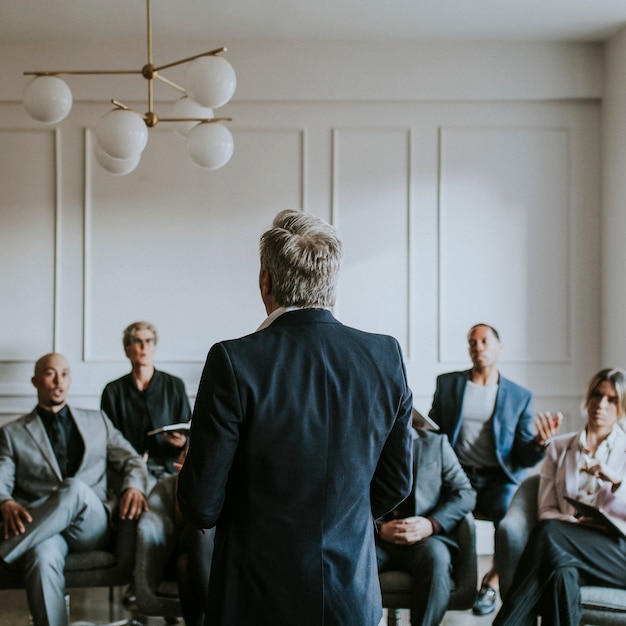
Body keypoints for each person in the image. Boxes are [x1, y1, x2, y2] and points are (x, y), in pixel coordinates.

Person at [177, 209, 414, 626]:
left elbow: (201, 506)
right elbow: (396, 482)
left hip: (256, 597)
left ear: (265, 280)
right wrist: (338, 514)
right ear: (331, 285)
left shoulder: (233, 361)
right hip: (350, 596)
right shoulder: (385, 356)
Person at [0, 353, 149, 626]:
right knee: (41, 557)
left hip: (90, 526)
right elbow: (1, 478)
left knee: (74, 488)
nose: (58, 381)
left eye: (65, 374)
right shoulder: (13, 433)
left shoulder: (97, 421)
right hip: (45, 530)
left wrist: (135, 488)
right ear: (35, 381)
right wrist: (4, 501)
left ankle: (6, 550)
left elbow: (132, 459)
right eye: (50, 373)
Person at [428, 323, 562, 615]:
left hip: (498, 480)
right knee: (443, 514)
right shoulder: (448, 384)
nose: (478, 347)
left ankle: (492, 583)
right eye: (472, 342)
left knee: (508, 523)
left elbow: (523, 457)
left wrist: (540, 442)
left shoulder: (518, 396)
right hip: (457, 477)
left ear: (499, 347)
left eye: (485, 341)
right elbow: (433, 434)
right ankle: (453, 582)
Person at [494, 367, 626, 626]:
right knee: (560, 573)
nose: (601, 404)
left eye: (611, 399)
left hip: (618, 552)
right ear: (587, 399)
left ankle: (506, 621)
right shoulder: (560, 447)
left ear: (621, 407)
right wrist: (576, 526)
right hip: (570, 543)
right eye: (597, 396)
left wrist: (617, 481)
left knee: (549, 533)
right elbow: (546, 508)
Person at [376, 421, 476, 626]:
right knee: (348, 564)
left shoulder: (436, 444)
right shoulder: (363, 442)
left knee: (436, 559)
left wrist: (431, 524)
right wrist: (377, 528)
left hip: (425, 538)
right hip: (374, 537)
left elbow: (465, 493)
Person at [101, 321, 191, 482]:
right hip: (129, 470)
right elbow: (109, 439)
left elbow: (190, 429)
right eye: (137, 341)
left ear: (154, 348)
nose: (144, 346)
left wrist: (183, 441)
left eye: (149, 341)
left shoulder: (174, 385)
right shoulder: (113, 391)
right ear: (127, 349)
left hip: (170, 467)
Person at [140, 446, 214, 626]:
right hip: (189, 537)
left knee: (184, 566)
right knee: (197, 530)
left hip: (217, 544)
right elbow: (181, 518)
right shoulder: (189, 452)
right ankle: (217, 616)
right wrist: (185, 480)